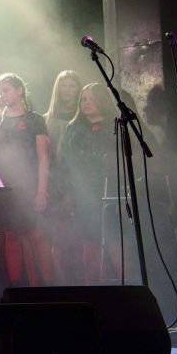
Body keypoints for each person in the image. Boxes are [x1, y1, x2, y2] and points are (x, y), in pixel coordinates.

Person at [0, 73, 52, 286]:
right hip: (3, 188)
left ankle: (48, 284)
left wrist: (41, 191)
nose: (2, 95)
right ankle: (15, 285)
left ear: (19, 90)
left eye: (6, 90)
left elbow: (43, 157)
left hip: (29, 186)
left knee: (36, 234)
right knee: (10, 236)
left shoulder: (35, 120)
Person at [60, 83, 119, 284]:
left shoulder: (116, 126)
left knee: (115, 240)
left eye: (91, 99)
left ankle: (127, 286)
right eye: (83, 99)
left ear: (102, 100)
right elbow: (64, 163)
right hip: (83, 193)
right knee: (89, 240)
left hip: (111, 191)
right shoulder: (73, 128)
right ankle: (92, 287)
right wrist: (67, 193)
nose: (86, 103)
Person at [43, 70, 83, 283]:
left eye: (72, 85)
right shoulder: (46, 120)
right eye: (63, 85)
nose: (67, 90)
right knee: (57, 238)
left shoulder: (84, 117)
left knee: (81, 237)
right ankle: (61, 283)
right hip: (56, 182)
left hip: (80, 183)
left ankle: (83, 283)